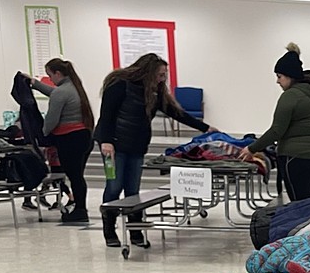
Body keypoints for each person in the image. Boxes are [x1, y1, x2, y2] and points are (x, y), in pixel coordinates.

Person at [93, 53, 212, 248]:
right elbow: (106, 114)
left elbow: (176, 112)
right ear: (147, 72)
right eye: (160, 74)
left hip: (137, 145)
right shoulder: (119, 84)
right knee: (114, 187)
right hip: (113, 145)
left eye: (164, 74)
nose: (162, 79)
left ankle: (135, 230)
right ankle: (109, 230)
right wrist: (106, 141)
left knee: (133, 189)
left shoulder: (154, 91)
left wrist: (204, 128)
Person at [242, 45, 310, 202]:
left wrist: (252, 148)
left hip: (296, 157)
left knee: (299, 205)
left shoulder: (290, 96)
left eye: (279, 76)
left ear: (290, 76)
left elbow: (277, 130)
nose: (277, 81)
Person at [20, 59, 94, 224]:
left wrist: (42, 135)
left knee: (74, 176)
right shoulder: (74, 87)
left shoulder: (61, 92)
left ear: (58, 74)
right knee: (77, 176)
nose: (50, 79)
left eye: (50, 75)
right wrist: (34, 83)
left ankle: (80, 211)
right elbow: (54, 93)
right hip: (83, 136)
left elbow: (52, 119)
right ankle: (80, 208)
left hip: (69, 139)